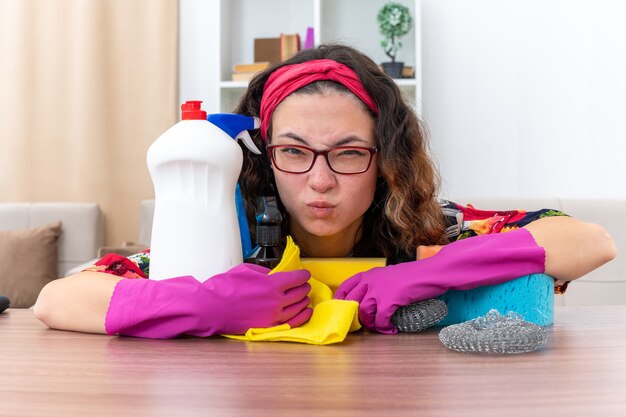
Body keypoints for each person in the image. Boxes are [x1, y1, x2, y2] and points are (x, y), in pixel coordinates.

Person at [34, 44, 616, 337]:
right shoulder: (223, 239)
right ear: (261, 157)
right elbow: (58, 300)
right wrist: (199, 304)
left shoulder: (430, 229)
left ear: (386, 160)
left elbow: (589, 242)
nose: (319, 180)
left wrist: (425, 272)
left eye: (348, 154)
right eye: (294, 151)